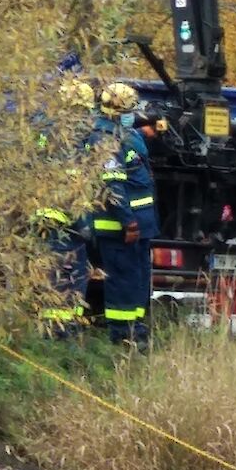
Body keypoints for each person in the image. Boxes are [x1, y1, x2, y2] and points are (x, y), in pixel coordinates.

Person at [91, 82, 158, 350]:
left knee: (138, 278)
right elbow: (113, 186)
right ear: (120, 111)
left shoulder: (125, 134)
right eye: (131, 109)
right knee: (122, 279)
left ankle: (136, 328)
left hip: (139, 226)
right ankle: (122, 334)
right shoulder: (107, 141)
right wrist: (127, 221)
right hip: (121, 228)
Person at [34, 78, 97, 336]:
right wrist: (84, 225)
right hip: (65, 222)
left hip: (43, 216)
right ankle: (61, 333)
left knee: (51, 275)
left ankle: (55, 329)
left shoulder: (45, 131)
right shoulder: (72, 138)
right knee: (67, 278)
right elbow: (73, 184)